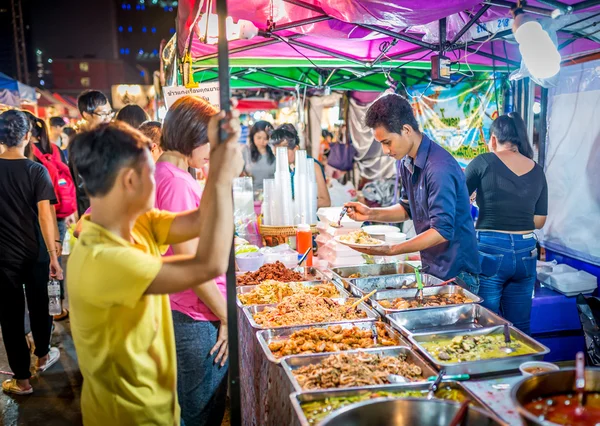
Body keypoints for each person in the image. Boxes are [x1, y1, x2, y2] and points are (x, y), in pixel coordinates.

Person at [67, 115, 242, 426]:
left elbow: (201, 219)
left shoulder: (137, 223)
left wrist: (218, 165)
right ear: (130, 181)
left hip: (156, 404)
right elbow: (208, 265)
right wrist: (224, 178)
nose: (160, 176)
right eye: (152, 171)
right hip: (130, 415)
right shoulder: (106, 259)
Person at [344, 94, 480, 290]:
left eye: (387, 142)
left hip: (457, 273)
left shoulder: (438, 167)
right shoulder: (407, 162)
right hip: (433, 267)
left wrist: (392, 250)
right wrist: (371, 213)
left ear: (406, 130)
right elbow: (407, 208)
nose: (384, 150)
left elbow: (442, 231)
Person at [156, 96, 229, 426]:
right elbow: (192, 268)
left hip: (187, 311)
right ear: (191, 135)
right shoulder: (175, 182)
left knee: (194, 407)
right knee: (201, 412)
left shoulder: (166, 173)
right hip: (195, 315)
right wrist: (226, 316)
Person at [465, 112, 548, 335]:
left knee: (487, 325)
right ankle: (520, 368)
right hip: (526, 251)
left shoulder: (483, 162)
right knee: (519, 328)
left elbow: (456, 203)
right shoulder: (537, 170)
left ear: (493, 139)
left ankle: (491, 370)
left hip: (491, 250)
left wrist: (483, 205)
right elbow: (539, 221)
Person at [0, 110, 63, 395]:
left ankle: (22, 381)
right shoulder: (37, 171)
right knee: (41, 306)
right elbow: (46, 217)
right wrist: (53, 255)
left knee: (10, 317)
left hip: (3, 258)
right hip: (36, 252)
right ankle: (43, 357)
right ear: (27, 136)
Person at [26, 113, 76, 320]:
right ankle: (57, 308)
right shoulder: (53, 149)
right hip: (58, 212)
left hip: (36, 216)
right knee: (55, 262)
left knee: (39, 265)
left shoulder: (27, 154)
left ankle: (40, 313)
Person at [270, 123, 331, 208]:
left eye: (283, 153)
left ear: (296, 148)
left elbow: (325, 201)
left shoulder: (312, 165)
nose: (280, 158)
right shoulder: (287, 166)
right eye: (276, 154)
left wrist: (296, 204)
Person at [72, 90, 113, 216]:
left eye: (110, 113)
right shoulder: (81, 145)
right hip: (92, 213)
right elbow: (82, 187)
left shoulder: (109, 138)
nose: (107, 118)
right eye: (102, 114)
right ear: (86, 115)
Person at [242, 120, 275, 192]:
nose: (262, 141)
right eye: (259, 138)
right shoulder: (246, 151)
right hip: (252, 194)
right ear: (252, 136)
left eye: (265, 138)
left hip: (272, 193)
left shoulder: (274, 151)